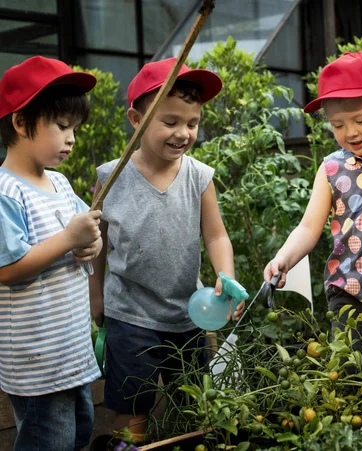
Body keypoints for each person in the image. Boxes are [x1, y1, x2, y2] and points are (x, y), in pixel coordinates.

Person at [89, 58, 244, 446]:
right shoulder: (110, 178)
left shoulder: (198, 176)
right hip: (130, 314)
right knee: (132, 404)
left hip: (188, 314)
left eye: (192, 123)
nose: (183, 133)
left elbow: (216, 236)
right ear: (135, 118)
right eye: (170, 122)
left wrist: (225, 274)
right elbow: (97, 242)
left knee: (194, 403)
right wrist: (94, 296)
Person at [263, 52, 362, 393]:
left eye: (359, 120)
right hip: (348, 293)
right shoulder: (331, 167)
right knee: (354, 383)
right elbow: (309, 227)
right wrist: (283, 258)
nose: (350, 132)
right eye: (338, 125)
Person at [0, 56, 102, 450]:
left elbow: (86, 237)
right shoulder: (7, 192)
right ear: (21, 123)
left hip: (69, 349)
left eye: (75, 128)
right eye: (62, 126)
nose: (72, 138)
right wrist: (68, 240)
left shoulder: (59, 183)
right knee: (49, 441)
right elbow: (7, 269)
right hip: (37, 360)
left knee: (77, 433)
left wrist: (91, 243)